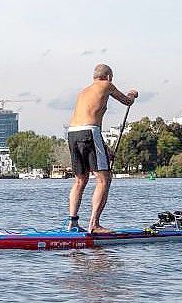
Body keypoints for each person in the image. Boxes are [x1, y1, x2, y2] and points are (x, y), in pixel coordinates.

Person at [67, 64, 138, 234]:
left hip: (72, 134)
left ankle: (72, 223)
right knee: (104, 179)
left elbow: (88, 120)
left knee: (80, 180)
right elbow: (127, 101)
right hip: (90, 133)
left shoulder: (83, 92)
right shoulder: (106, 85)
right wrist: (132, 95)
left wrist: (104, 149)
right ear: (108, 77)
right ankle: (94, 224)